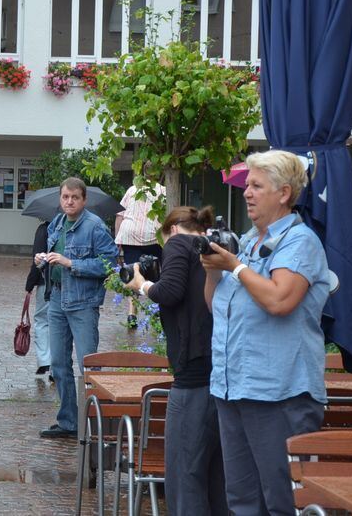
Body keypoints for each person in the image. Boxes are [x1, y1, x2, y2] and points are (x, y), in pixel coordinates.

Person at [200, 150, 331, 515]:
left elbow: (279, 300)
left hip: (278, 392)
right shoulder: (245, 241)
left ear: (284, 193)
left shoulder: (300, 241)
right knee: (241, 500)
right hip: (232, 387)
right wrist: (213, 270)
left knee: (281, 501)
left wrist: (236, 266)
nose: (247, 192)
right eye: (248, 185)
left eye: (257, 185)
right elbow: (215, 305)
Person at [123, 206, 227, 515]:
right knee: (216, 476)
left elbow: (169, 292)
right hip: (219, 369)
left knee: (185, 475)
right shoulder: (215, 248)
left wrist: (140, 284)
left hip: (193, 372)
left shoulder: (180, 243)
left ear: (173, 229)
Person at [37, 177, 118, 439]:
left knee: (89, 367)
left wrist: (71, 263)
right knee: (58, 364)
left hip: (83, 303)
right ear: (60, 199)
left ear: (84, 200)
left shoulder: (94, 226)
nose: (69, 201)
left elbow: (109, 264)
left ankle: (95, 424)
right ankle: (69, 422)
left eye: (74, 197)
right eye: (65, 197)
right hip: (57, 300)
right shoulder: (57, 224)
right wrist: (42, 260)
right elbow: (54, 259)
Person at [115, 181, 165, 328]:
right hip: (154, 236)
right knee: (156, 274)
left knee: (132, 273)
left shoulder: (132, 189)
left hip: (130, 236)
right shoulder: (163, 191)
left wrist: (118, 239)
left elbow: (120, 215)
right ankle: (157, 310)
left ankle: (132, 313)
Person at [24, 220, 51, 378]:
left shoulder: (44, 229)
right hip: (66, 284)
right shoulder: (73, 228)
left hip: (45, 282)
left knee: (41, 320)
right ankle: (56, 366)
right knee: (58, 324)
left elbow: (37, 259)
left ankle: (44, 360)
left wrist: (30, 284)